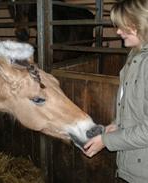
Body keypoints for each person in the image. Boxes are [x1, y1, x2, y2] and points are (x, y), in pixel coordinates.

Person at [83, 0, 148, 182]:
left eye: (123, 25)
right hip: (135, 162)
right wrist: (118, 124)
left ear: (140, 23)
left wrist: (106, 141)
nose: (118, 31)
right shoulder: (135, 55)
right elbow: (136, 108)